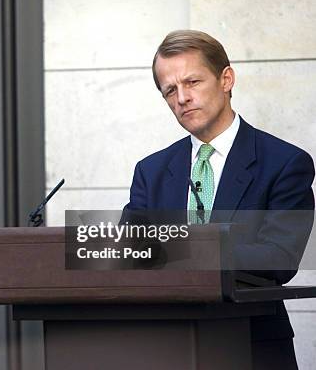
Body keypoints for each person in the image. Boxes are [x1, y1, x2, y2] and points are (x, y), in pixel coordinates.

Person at [123, 30, 314, 369]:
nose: (182, 97)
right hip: (164, 348)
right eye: (170, 90)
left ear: (226, 79)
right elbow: (128, 252)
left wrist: (184, 248)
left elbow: (280, 258)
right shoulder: (150, 171)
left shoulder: (285, 162)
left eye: (192, 82)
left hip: (250, 346)